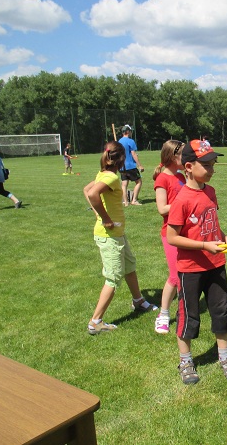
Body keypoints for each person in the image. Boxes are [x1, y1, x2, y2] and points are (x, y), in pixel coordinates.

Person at [166, 139, 227, 385]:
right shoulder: (182, 199)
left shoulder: (210, 192)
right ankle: (186, 361)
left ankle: (225, 357)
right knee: (189, 315)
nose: (212, 170)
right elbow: (172, 237)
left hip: (216, 264)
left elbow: (213, 226)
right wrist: (203, 246)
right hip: (191, 269)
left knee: (221, 311)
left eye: (213, 164)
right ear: (188, 167)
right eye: (207, 165)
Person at [83, 141, 158, 335]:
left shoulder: (104, 174)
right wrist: (105, 218)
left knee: (130, 266)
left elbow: (86, 190)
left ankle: (138, 301)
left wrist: (98, 215)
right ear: (122, 159)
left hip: (117, 235)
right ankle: (95, 322)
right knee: (113, 278)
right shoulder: (111, 178)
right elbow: (92, 193)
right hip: (109, 237)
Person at [152, 140, 186, 334]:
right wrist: (183, 203)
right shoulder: (162, 179)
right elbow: (162, 208)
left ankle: (185, 310)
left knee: (186, 273)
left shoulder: (181, 176)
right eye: (183, 155)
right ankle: (163, 315)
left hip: (186, 232)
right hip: (170, 232)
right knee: (175, 276)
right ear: (173, 157)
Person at [118, 124, 145, 206]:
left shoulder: (119, 141)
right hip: (130, 166)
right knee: (139, 182)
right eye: (130, 131)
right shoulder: (130, 141)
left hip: (122, 166)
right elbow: (133, 154)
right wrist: (140, 165)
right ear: (128, 132)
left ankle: (126, 202)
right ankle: (134, 200)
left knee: (124, 184)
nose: (131, 132)